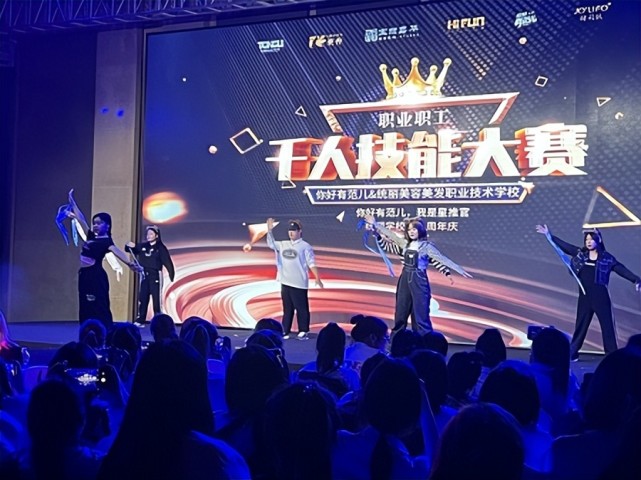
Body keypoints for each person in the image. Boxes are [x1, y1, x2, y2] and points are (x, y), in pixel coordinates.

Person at [536, 224, 641, 359]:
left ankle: (611, 356)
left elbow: (621, 269)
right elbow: (565, 247)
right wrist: (549, 235)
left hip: (601, 298)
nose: (589, 242)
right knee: (581, 326)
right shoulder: (581, 254)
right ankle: (572, 353)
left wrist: (636, 280)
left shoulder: (606, 258)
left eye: (591, 239)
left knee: (608, 327)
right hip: (585, 296)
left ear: (598, 240)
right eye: (587, 240)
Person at [364, 215, 471, 336]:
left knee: (420, 312)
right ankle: (396, 340)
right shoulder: (403, 244)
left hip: (419, 279)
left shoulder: (427, 247)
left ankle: (424, 340)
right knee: (401, 310)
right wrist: (376, 227)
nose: (411, 232)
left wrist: (453, 271)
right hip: (405, 278)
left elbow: (440, 260)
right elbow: (390, 238)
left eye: (414, 229)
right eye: (409, 230)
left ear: (420, 230)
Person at [67, 190, 141, 329]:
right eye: (94, 223)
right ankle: (87, 330)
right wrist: (73, 203)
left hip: (96, 276)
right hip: (84, 275)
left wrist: (130, 264)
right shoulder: (91, 236)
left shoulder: (107, 241)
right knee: (85, 304)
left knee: (98, 304)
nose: (95, 225)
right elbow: (81, 219)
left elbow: (118, 252)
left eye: (99, 223)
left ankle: (105, 331)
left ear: (107, 225)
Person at [266, 218, 323, 339]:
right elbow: (271, 244)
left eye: (294, 230)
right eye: (290, 230)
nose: (291, 233)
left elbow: (311, 262)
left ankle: (303, 330)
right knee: (287, 308)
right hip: (285, 281)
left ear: (299, 231)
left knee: (301, 308)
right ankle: (285, 330)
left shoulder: (305, 246)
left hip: (299, 282)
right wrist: (269, 231)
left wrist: (317, 278)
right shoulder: (283, 244)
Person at [126, 225, 175, 327]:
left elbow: (167, 261)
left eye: (151, 234)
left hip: (155, 275)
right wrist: (129, 245)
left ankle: (158, 320)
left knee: (156, 299)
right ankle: (140, 319)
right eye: (147, 234)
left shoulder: (160, 248)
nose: (148, 236)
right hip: (144, 275)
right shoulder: (143, 246)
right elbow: (130, 249)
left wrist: (171, 274)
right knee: (143, 297)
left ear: (156, 235)